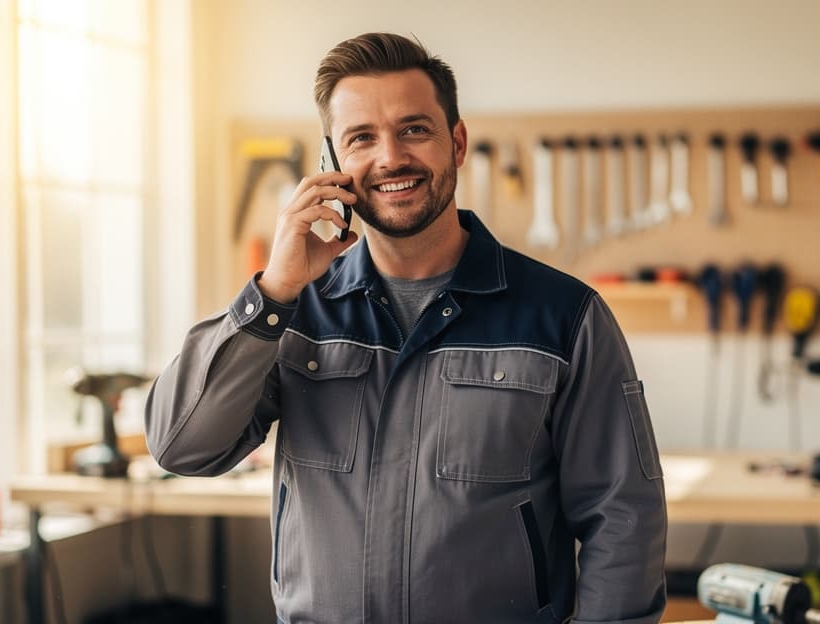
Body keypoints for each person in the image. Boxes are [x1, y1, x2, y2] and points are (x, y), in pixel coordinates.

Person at [145, 32, 667, 624]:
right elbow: (181, 447)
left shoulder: (565, 317)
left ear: (458, 142)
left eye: (414, 129)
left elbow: (623, 517)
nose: (390, 157)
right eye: (361, 137)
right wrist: (273, 293)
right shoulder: (292, 315)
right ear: (333, 164)